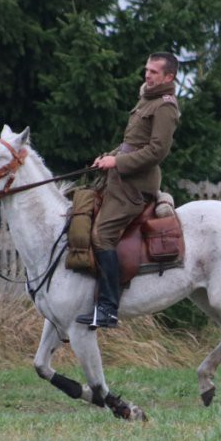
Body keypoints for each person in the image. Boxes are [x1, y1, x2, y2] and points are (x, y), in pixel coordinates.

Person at [76, 52, 181, 329]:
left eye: (154, 72)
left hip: (136, 187)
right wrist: (108, 157)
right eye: (146, 69)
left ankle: (108, 308)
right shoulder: (147, 98)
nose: (147, 75)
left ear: (168, 77)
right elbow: (131, 144)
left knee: (102, 234)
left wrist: (118, 163)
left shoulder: (165, 107)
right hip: (120, 179)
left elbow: (157, 151)